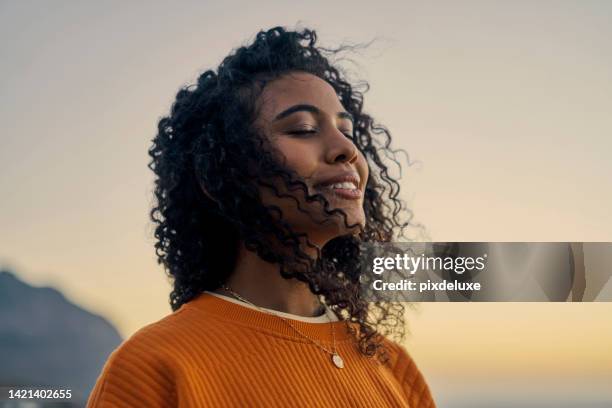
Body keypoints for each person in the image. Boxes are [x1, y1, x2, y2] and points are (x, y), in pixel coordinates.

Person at [87, 26, 436, 408]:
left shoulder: (391, 364)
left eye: (347, 131)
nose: (346, 150)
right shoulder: (155, 367)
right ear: (223, 174)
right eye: (303, 129)